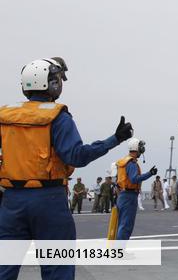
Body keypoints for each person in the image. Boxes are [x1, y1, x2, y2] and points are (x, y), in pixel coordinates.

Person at [0, 57, 132, 280]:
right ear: (51, 83)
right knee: (57, 269)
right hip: (49, 201)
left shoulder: (5, 116)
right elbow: (77, 156)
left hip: (11, 202)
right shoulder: (57, 117)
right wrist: (114, 139)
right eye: (59, 78)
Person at [114, 138, 157, 240]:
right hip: (129, 196)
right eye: (140, 147)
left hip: (123, 195)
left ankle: (119, 251)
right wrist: (150, 174)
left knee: (122, 224)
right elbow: (134, 179)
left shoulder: (124, 162)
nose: (142, 150)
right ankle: (120, 253)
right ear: (136, 148)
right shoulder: (132, 163)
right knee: (126, 225)